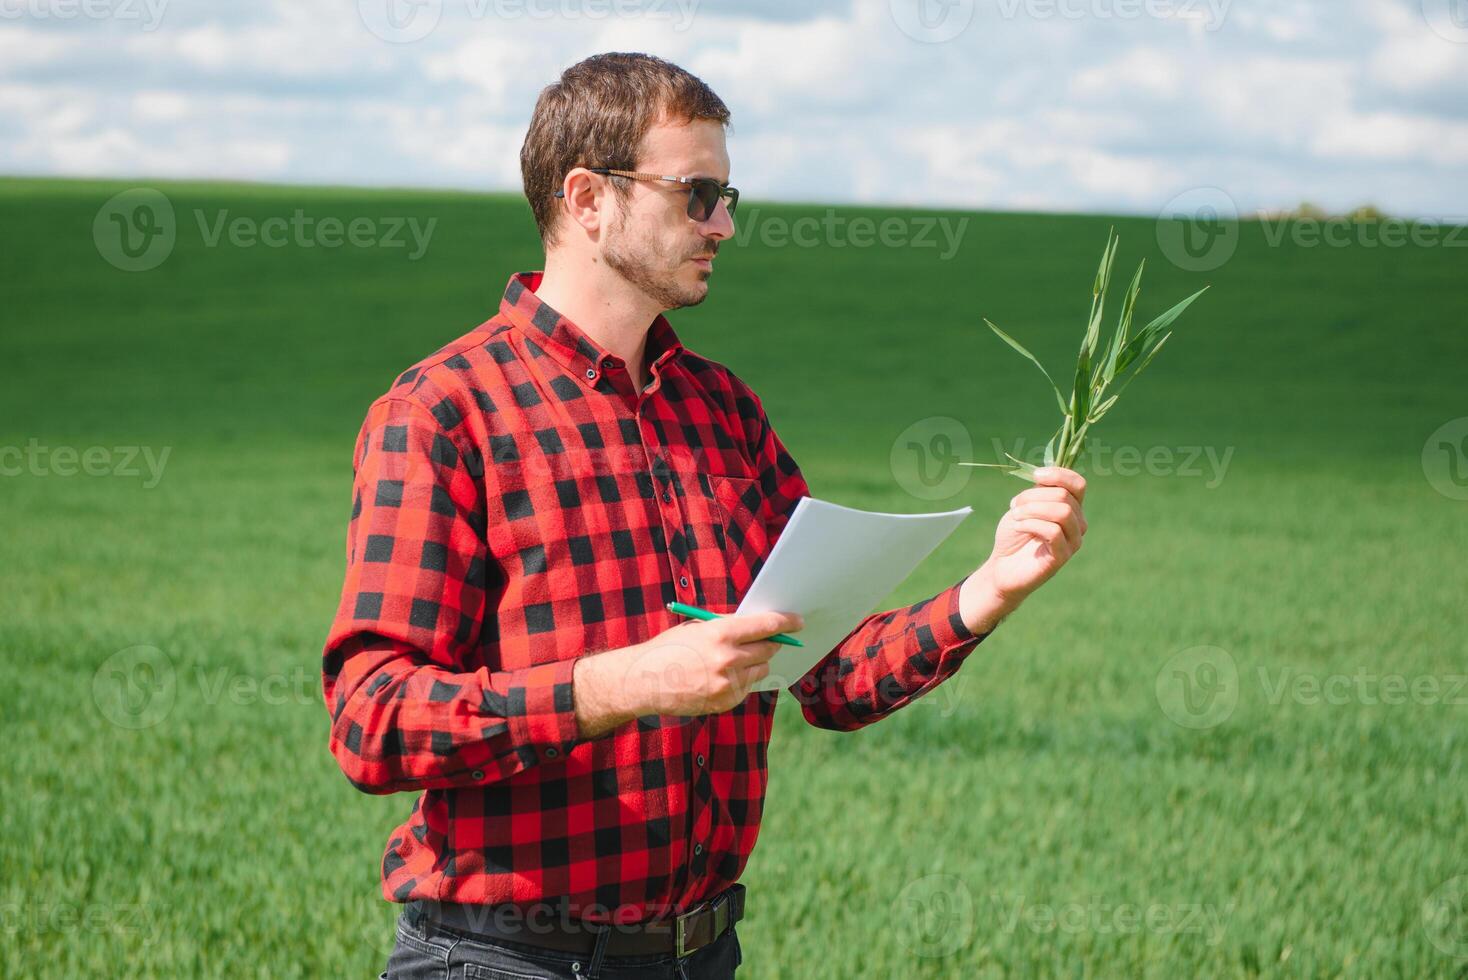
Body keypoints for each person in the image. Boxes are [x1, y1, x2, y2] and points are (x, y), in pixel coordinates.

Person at [322, 51, 1088, 980]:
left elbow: (828, 675)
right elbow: (374, 722)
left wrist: (988, 589)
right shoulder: (445, 411)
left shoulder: (723, 411)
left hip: (697, 955)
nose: (722, 224)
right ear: (587, 199)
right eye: (696, 194)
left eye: (729, 196)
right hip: (499, 958)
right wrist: (626, 683)